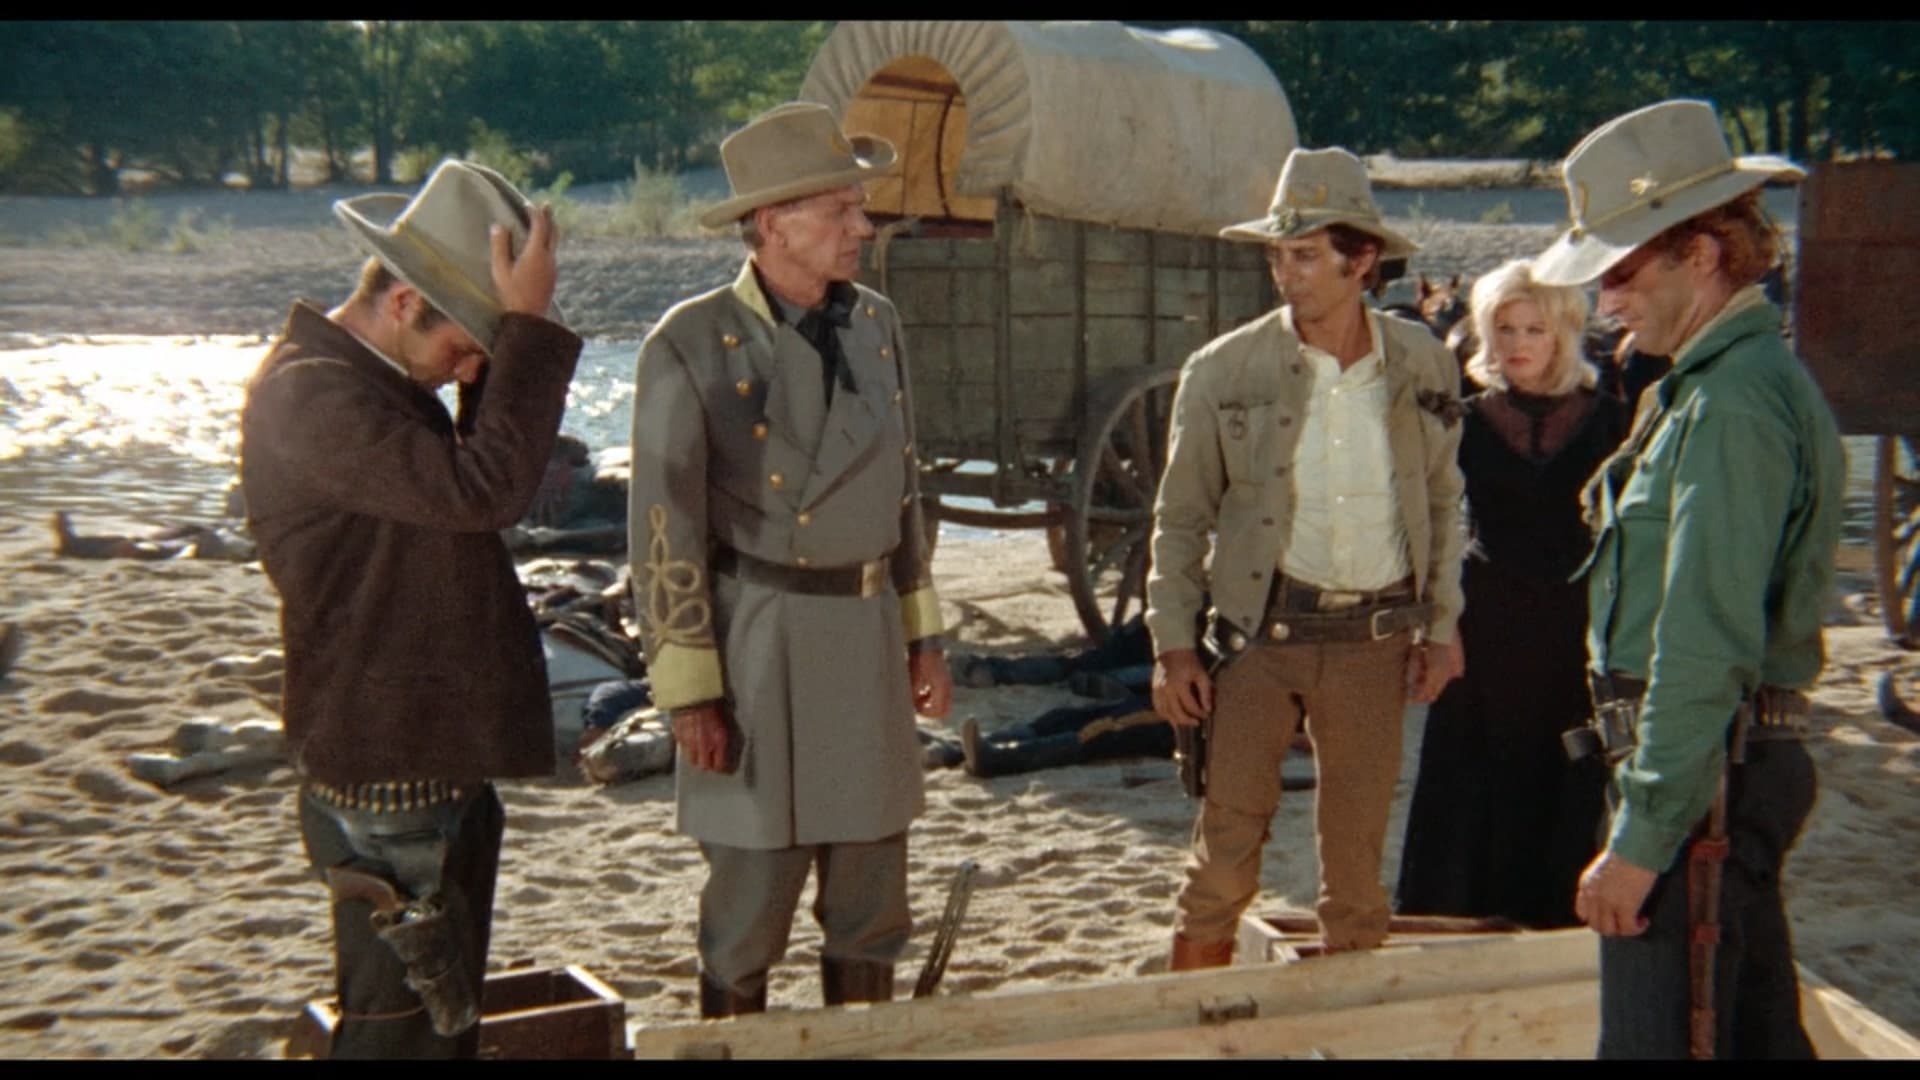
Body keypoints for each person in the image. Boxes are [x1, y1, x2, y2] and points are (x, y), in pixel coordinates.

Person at [239, 159, 579, 1058]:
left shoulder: (363, 382)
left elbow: (465, 490)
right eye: (466, 347)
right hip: (389, 771)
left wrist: (502, 344)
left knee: (437, 1032)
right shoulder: (311, 393)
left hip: (419, 757)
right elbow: (483, 491)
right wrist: (528, 330)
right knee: (400, 1039)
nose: (470, 369)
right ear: (402, 302)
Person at [1531, 98, 1845, 1059]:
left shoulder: (1731, 404)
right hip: (1707, 772)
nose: (1607, 303)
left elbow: (1704, 640)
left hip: (1702, 781)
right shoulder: (1708, 386)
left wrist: (1644, 836)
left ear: (1701, 254)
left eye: (1622, 272)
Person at [625, 102, 952, 1018]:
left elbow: (902, 494)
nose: (863, 226)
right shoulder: (686, 343)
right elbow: (663, 533)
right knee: (750, 897)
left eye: (859, 207)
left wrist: (923, 637)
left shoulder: (878, 324)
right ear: (774, 223)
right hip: (755, 649)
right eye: (842, 209)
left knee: (871, 898)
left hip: (865, 641)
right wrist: (690, 692)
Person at [1145, 146, 1469, 969]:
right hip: (1258, 642)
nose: (1284, 275)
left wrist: (1442, 626)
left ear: (1361, 262)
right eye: (1277, 257)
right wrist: (1174, 646)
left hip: (1374, 646)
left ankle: (1345, 1020)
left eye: (1304, 256)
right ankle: (1192, 1020)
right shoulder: (1223, 369)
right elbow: (1179, 519)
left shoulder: (1422, 362)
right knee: (1222, 861)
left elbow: (1442, 502)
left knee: (1356, 875)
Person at [1394, 259, 1628, 929]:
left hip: (1576, 624)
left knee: (1566, 775)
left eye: (1535, 329)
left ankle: (1554, 924)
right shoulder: (1462, 418)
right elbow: (1431, 526)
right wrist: (1439, 625)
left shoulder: (1613, 420)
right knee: (1470, 781)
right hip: (1485, 619)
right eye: (1505, 328)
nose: (1518, 344)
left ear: (1564, 333)